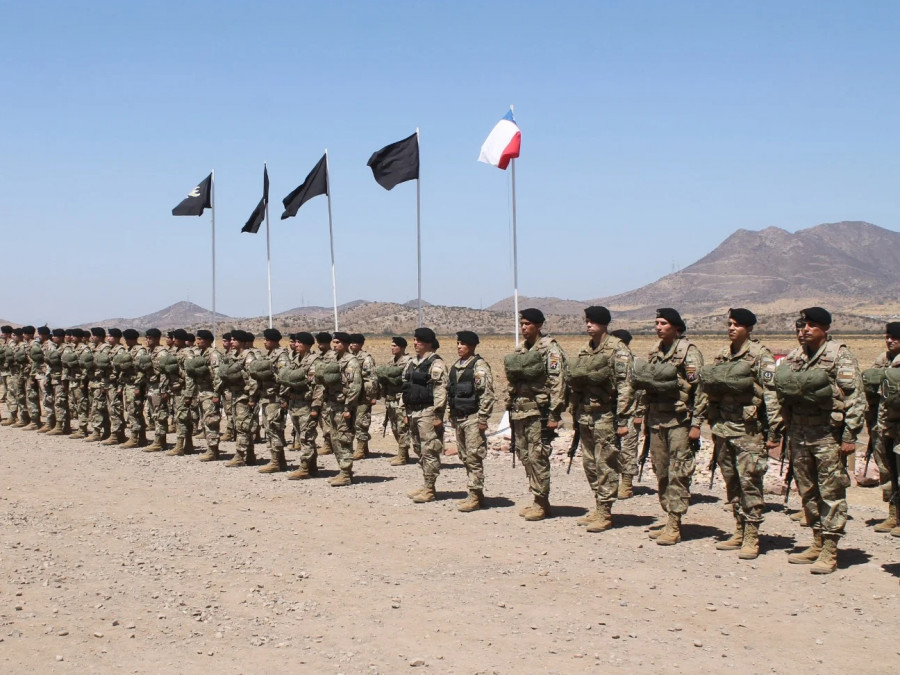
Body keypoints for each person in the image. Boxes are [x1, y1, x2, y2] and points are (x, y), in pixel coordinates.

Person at [777, 307, 865, 574]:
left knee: (831, 492)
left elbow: (855, 399)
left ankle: (830, 549)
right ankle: (817, 540)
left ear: (825, 329)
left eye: (812, 325)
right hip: (799, 433)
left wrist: (850, 436)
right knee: (808, 491)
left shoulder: (839, 355)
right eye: (803, 325)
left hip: (828, 434)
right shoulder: (795, 356)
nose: (805, 330)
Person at [704, 309, 782, 559]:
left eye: (737, 325)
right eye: (729, 324)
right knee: (731, 481)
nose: (731, 328)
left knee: (750, 481)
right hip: (724, 428)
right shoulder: (723, 355)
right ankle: (739, 528)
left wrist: (774, 430)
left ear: (749, 329)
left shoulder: (761, 356)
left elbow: (771, 394)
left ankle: (752, 534)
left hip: (749, 430)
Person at [633, 308, 706, 545]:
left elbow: (700, 391)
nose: (658, 327)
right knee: (661, 470)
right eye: (656, 323)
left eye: (663, 323)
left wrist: (697, 424)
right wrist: (642, 416)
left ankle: (675, 522)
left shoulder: (689, 353)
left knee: (678, 471)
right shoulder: (655, 352)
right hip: (656, 420)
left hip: (679, 422)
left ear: (676, 327)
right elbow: (646, 387)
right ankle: (668, 516)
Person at [569, 307, 635, 532]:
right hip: (585, 414)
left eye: (593, 322)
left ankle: (605, 512)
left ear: (604, 324)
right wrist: (574, 411)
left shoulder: (618, 349)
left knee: (605, 462)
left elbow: (626, 385)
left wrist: (623, 419)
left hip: (606, 414)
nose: (588, 325)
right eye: (587, 321)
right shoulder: (585, 349)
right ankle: (598, 506)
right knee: (589, 463)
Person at [504, 309, 567, 521]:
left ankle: (541, 501)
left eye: (528, 324)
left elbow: (558, 382)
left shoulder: (550, 349)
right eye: (522, 324)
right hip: (521, 410)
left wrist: (554, 414)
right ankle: (538, 499)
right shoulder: (521, 349)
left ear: (539, 325)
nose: (523, 327)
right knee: (524, 454)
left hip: (539, 411)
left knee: (537, 456)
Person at [448, 330, 495, 511]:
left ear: (472, 346)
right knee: (465, 456)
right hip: (459, 418)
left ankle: (475, 495)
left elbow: (487, 395)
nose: (459, 347)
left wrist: (483, 419)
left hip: (473, 418)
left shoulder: (479, 367)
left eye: (463, 344)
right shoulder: (456, 366)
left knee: (474, 457)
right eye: (458, 343)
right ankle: (475, 494)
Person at [861, 322, 900, 533]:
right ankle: (893, 514)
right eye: (888, 336)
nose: (890, 340)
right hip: (883, 425)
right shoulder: (883, 360)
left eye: (895, 337)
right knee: (888, 471)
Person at [319, 332, 362, 486]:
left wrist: (347, 407)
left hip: (343, 406)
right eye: (333, 342)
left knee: (344, 438)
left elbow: (355, 387)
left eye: (337, 342)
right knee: (335, 438)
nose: (334, 345)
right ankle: (343, 471)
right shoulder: (335, 359)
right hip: (332, 405)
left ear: (345, 344)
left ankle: (345, 473)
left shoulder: (351, 362)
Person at [284, 332, 324, 479]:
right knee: (302, 435)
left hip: (307, 404)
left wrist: (315, 407)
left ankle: (304, 468)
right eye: (296, 342)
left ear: (307, 345)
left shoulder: (314, 361)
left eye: (300, 342)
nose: (296, 344)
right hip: (295, 402)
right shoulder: (295, 359)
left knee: (307, 437)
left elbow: (318, 386)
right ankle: (312, 467)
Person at [253, 328, 291, 473]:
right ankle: (280, 461)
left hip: (275, 397)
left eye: (267, 340)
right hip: (267, 397)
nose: (264, 342)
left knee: (274, 429)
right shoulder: (270, 355)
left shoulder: (281, 356)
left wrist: (282, 397)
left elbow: (284, 377)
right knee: (269, 428)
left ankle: (276, 462)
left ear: (274, 341)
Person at [184, 329, 224, 461]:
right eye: (197, 339)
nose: (197, 341)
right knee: (205, 420)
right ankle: (211, 448)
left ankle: (213, 451)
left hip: (210, 392)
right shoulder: (200, 353)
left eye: (200, 339)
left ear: (207, 341)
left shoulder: (213, 354)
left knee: (211, 421)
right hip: (201, 391)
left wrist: (217, 393)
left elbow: (218, 375)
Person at [610, 328, 640, 499]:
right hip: (611, 410)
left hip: (630, 411)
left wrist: (639, 414)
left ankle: (627, 483)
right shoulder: (610, 362)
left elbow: (641, 391)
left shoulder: (634, 363)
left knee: (628, 448)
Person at [377, 336, 412, 465]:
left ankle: (403, 455)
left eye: (395, 346)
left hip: (401, 399)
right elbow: (383, 375)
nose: (392, 348)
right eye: (391, 346)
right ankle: (402, 453)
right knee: (394, 427)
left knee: (402, 427)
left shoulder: (408, 361)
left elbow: (400, 378)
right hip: (390, 398)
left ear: (402, 347)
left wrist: (388, 375)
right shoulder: (391, 361)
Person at [165, 329, 195, 455]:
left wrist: (188, 394)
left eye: (175, 338)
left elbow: (190, 374)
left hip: (183, 390)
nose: (173, 340)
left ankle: (180, 446)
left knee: (181, 418)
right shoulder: (177, 351)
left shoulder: (187, 353)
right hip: (176, 389)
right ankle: (188, 445)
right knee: (182, 417)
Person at [349, 333, 378, 459]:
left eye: (354, 343)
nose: (351, 345)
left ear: (360, 344)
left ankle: (360, 449)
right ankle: (364, 449)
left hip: (363, 396)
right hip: (353, 395)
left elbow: (371, 379)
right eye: (350, 343)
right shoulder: (350, 358)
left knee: (361, 422)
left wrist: (371, 396)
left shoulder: (366, 359)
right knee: (354, 422)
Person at [119, 328, 149, 448]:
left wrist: (137, 386)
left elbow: (141, 371)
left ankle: (135, 438)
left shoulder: (140, 351)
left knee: (134, 411)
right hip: (129, 384)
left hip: (135, 385)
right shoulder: (130, 350)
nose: (125, 341)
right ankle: (141, 438)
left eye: (126, 339)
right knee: (134, 411)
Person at [143, 328, 170, 452]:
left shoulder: (162, 353)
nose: (147, 340)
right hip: (150, 386)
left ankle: (160, 441)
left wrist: (163, 390)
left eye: (149, 338)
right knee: (154, 414)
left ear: (156, 338)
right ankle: (158, 440)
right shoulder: (150, 352)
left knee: (160, 414)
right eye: (146, 337)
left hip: (158, 387)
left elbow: (164, 373)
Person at [102, 328, 128, 445]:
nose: (108, 338)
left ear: (117, 337)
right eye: (107, 336)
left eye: (110, 336)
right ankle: (118, 434)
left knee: (115, 409)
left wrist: (120, 386)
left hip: (115, 383)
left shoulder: (120, 350)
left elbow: (123, 370)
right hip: (109, 382)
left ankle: (116, 435)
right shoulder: (110, 350)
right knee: (110, 408)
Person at [315, 331, 335, 456]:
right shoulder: (320, 356)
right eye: (318, 343)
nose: (319, 345)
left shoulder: (332, 356)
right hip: (320, 393)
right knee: (323, 420)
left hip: (329, 393)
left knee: (328, 420)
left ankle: (329, 444)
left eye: (321, 343)